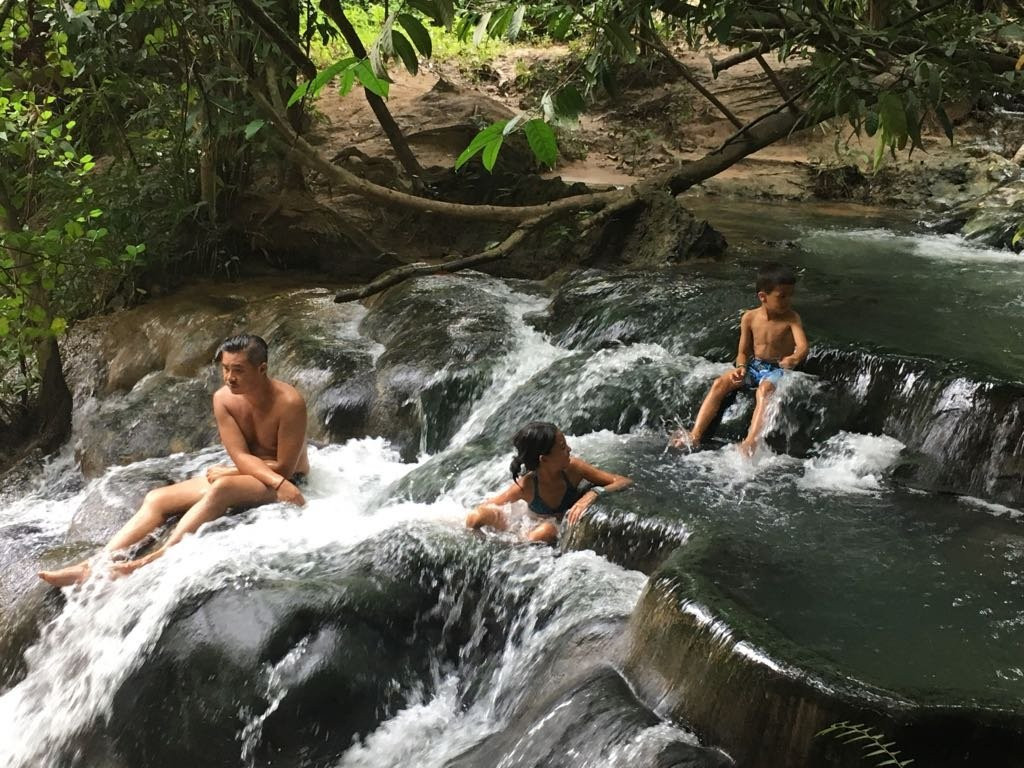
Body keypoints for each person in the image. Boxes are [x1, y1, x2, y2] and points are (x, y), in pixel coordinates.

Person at [39, 333, 309, 587]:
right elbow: (239, 455)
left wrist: (232, 474)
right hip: (246, 471)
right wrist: (234, 471)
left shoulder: (289, 403)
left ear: (261, 369)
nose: (229, 377)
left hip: (285, 479)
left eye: (238, 370)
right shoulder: (223, 400)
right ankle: (93, 564)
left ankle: (148, 561)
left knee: (222, 488)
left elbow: (284, 468)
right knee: (158, 498)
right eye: (225, 369)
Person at [671, 262, 808, 456]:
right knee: (720, 383)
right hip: (755, 366)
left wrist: (794, 358)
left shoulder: (792, 318)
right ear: (763, 297)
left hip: (777, 368)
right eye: (782, 296)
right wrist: (741, 367)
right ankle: (695, 434)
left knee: (765, 389)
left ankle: (751, 441)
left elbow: (802, 346)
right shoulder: (749, 318)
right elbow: (742, 352)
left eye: (790, 295)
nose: (788, 301)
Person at [466, 421, 632, 544]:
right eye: (562, 447)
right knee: (476, 517)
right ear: (544, 459)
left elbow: (622, 481)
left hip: (547, 528)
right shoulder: (527, 486)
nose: (569, 450)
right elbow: (490, 504)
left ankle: (519, 544)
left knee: (547, 531)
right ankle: (514, 546)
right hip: (530, 526)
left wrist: (592, 493)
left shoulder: (574, 469)